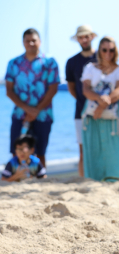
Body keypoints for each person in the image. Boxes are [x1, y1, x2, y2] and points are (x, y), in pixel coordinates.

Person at [5, 28, 59, 167]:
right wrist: (28, 110)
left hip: (43, 115)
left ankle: (40, 180)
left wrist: (36, 111)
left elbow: (53, 89)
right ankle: (17, 179)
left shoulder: (50, 62)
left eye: (34, 40)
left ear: (40, 41)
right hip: (19, 115)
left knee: (40, 152)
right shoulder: (14, 63)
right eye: (27, 41)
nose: (31, 43)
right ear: (23, 42)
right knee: (16, 151)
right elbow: (9, 91)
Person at [81, 36, 119, 181]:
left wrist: (103, 104)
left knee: (116, 148)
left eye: (111, 50)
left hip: (113, 114)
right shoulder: (90, 67)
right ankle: (93, 180)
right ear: (99, 51)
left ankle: (117, 179)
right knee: (93, 147)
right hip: (92, 114)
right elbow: (85, 89)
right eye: (105, 50)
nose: (108, 53)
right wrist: (99, 100)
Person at [65, 25, 97, 177]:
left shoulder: (102, 57)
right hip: (81, 110)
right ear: (77, 39)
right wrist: (83, 100)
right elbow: (71, 87)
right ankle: (84, 179)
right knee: (83, 151)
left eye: (86, 36)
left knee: (100, 148)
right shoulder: (71, 62)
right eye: (81, 37)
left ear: (91, 37)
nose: (84, 40)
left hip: (102, 110)